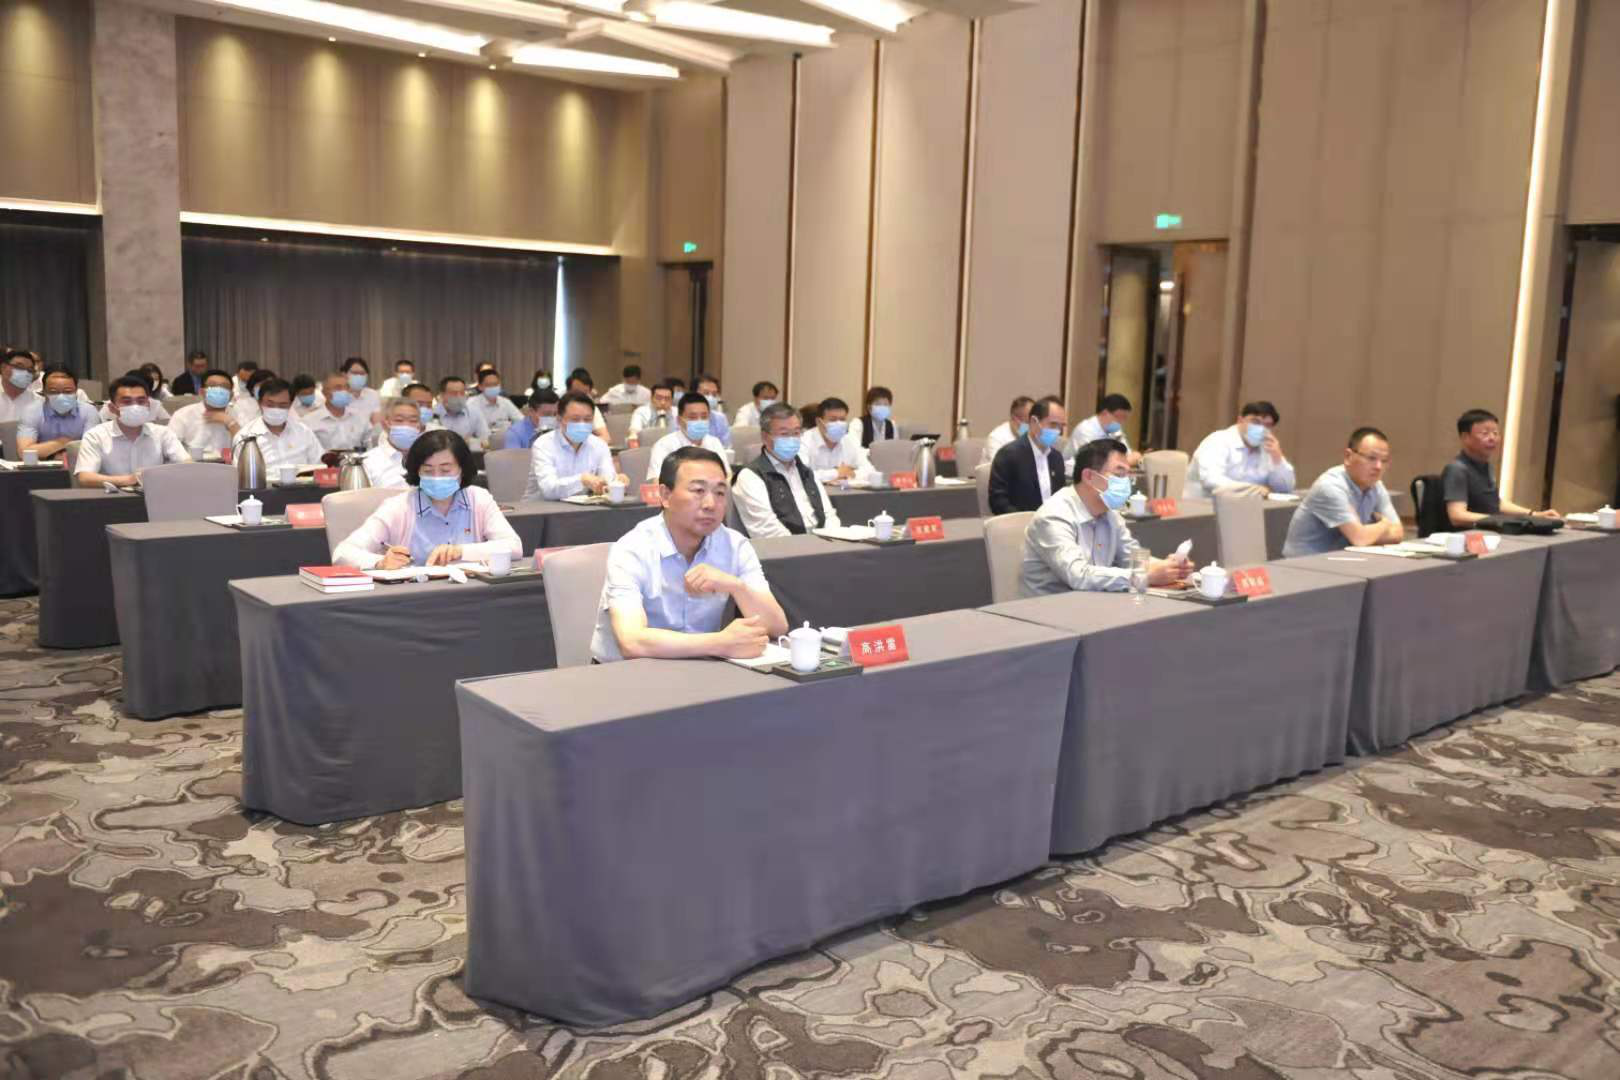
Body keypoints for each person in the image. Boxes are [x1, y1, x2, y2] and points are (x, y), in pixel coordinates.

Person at [592, 446, 788, 663]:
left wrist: (736, 587)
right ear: (665, 495)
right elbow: (631, 642)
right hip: (625, 672)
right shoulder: (632, 548)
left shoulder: (735, 546)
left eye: (720, 493)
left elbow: (777, 626)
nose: (710, 504)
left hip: (699, 667)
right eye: (698, 491)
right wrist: (720, 643)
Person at [1021, 438, 1191, 596]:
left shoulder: (1110, 513)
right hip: (1049, 608)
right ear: (1089, 476)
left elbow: (1131, 557)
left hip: (1093, 601)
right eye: (1119, 474)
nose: (1125, 482)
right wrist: (1143, 576)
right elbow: (1078, 576)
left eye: (1128, 475)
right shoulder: (1053, 515)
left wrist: (1167, 567)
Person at [334, 429, 521, 570]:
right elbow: (342, 553)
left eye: (446, 470)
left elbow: (513, 547)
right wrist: (380, 562)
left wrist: (461, 551)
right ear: (417, 471)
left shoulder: (478, 498)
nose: (437, 477)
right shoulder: (398, 507)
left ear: (462, 469)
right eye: (428, 470)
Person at [1282, 427, 1406, 556]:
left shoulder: (1376, 485)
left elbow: (1398, 533)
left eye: (1384, 460)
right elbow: (1360, 539)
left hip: (1343, 559)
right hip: (1305, 563)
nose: (1378, 467)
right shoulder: (1330, 487)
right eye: (1371, 458)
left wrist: (1369, 534)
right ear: (1348, 456)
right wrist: (1384, 525)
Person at [733, 402, 842, 537]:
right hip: (785, 547)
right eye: (784, 434)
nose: (792, 439)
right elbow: (767, 531)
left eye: (796, 433)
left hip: (822, 542)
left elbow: (829, 515)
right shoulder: (750, 477)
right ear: (765, 437)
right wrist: (810, 546)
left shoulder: (806, 472)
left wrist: (832, 539)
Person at [1442, 408, 1561, 526]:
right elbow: (1457, 516)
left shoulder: (1486, 466)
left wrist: (1533, 514)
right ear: (1465, 437)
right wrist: (1501, 520)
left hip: (1489, 530)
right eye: (1485, 433)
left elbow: (1496, 503)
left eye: (1495, 433)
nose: (1492, 438)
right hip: (1468, 535)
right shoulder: (1457, 470)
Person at [74, 375, 190, 487]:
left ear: (148, 405)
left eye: (141, 401)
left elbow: (188, 465)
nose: (135, 406)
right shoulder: (95, 435)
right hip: (112, 497)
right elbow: (85, 478)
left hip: (156, 495)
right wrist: (130, 480)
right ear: (112, 408)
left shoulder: (163, 433)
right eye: (127, 402)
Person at [525, 390, 627, 500]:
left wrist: (616, 482)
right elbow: (549, 490)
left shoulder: (599, 445)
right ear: (559, 418)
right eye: (575, 419)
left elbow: (606, 480)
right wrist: (581, 480)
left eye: (587, 419)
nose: (582, 424)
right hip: (541, 508)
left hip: (583, 507)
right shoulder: (543, 444)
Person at [1184, 401, 1295, 499]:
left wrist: (1277, 458)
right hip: (1204, 507)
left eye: (1267, 425)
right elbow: (1211, 480)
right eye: (1255, 422)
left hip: (1248, 507)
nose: (1261, 429)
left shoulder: (1268, 448)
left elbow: (1285, 488)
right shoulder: (1218, 440)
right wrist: (1254, 490)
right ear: (1240, 420)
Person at [989, 396, 1068, 515]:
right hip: (1019, 522)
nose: (1058, 431)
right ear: (1034, 422)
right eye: (1053, 425)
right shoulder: (1008, 455)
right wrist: (1025, 521)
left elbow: (1060, 499)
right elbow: (998, 501)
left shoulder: (1056, 458)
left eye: (1061, 427)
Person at [232, 377, 325, 472]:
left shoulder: (304, 432)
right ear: (259, 403)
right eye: (270, 405)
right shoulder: (245, 437)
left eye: (282, 405)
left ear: (290, 405)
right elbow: (239, 474)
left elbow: (320, 465)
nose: (276, 409)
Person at [17, 367, 98, 459]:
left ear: (76, 391)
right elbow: (24, 453)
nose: (61, 396)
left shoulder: (89, 411)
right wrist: (63, 442)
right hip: (41, 465)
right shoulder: (31, 412)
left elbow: (92, 450)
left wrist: (48, 450)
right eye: (54, 392)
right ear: (44, 392)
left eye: (67, 392)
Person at [647, 392, 727, 482]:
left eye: (704, 417)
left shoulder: (714, 443)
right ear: (679, 420)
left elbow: (726, 476)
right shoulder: (664, 445)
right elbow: (655, 481)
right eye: (693, 417)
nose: (699, 421)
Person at [167, 369, 242, 460]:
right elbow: (170, 445)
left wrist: (230, 423)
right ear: (202, 392)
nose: (219, 390)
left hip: (228, 465)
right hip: (192, 464)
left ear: (231, 395)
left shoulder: (239, 414)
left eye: (224, 386)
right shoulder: (183, 414)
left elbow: (245, 446)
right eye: (213, 386)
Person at [800, 396, 875, 485]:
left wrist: (853, 473)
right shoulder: (805, 441)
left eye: (842, 419)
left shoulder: (849, 440)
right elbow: (802, 474)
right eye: (833, 420)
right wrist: (836, 473)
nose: (838, 424)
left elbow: (870, 470)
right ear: (819, 422)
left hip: (843, 491)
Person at [362, 398, 427, 487]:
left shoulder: (429, 458)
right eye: (399, 420)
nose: (406, 425)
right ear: (386, 423)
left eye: (413, 421)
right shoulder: (368, 462)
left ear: (419, 426)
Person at [303, 371, 373, 451]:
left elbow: (370, 447)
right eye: (338, 388)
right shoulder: (309, 422)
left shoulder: (361, 417)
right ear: (325, 393)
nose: (344, 391)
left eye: (347, 387)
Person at [1070, 393, 1142, 467]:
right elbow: (1093, 463)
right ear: (1104, 413)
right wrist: (1125, 461)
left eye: (1124, 418)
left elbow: (1128, 453)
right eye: (1118, 417)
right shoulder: (1085, 430)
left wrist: (1130, 458)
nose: (1121, 422)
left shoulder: (1115, 429)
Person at [436, 375, 491, 448]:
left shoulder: (474, 412)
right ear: (442, 395)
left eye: (462, 393)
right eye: (454, 393)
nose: (459, 397)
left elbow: (487, 440)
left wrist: (473, 442)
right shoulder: (434, 413)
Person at [99, 369, 171, 423]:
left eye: (140, 400)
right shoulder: (109, 407)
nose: (134, 404)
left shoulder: (155, 404)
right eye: (127, 401)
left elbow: (167, 423)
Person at [564, 368, 610, 438]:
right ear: (567, 391)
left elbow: (605, 436)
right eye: (577, 392)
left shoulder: (591, 408)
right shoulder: (557, 407)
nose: (580, 397)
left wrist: (585, 444)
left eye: (584, 394)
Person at [984, 396, 1035, 460]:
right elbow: (999, 465)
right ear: (1014, 418)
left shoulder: (1036, 436)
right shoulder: (996, 438)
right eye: (1028, 422)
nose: (1032, 427)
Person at [628, 381, 677, 446]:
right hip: (648, 447)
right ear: (651, 398)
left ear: (672, 400)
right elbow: (634, 431)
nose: (663, 402)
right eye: (659, 398)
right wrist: (634, 436)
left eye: (667, 399)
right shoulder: (641, 412)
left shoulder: (677, 412)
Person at [0, 348, 40, 425]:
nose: (25, 373)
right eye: (19, 367)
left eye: (30, 370)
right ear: (3, 367)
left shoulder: (40, 403)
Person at [341, 357, 383, 425]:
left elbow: (377, 423)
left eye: (362, 373)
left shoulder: (373, 394)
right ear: (344, 375)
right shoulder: (338, 396)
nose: (358, 376)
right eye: (354, 373)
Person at [693, 373, 730, 447]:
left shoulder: (720, 418)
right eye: (706, 393)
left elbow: (726, 446)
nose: (710, 397)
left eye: (714, 394)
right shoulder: (683, 416)